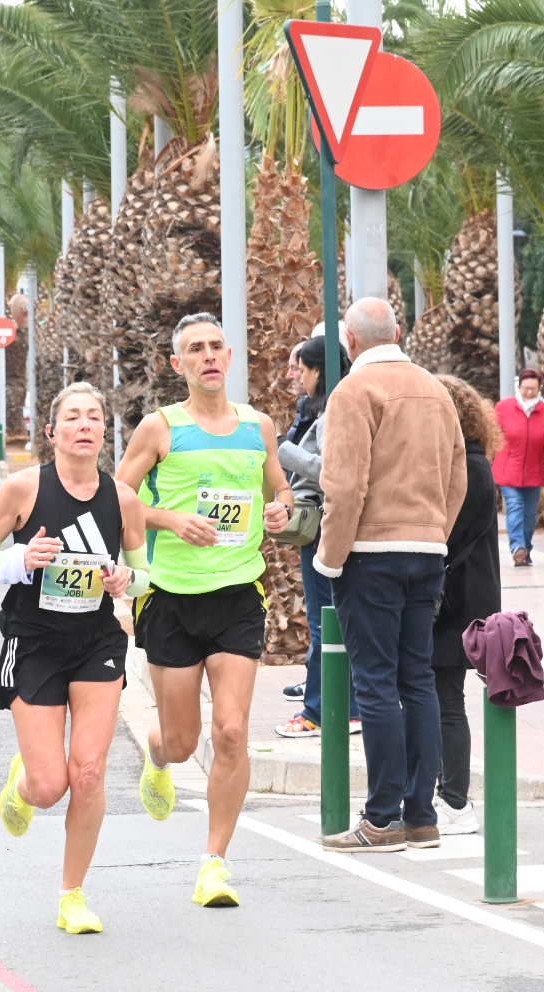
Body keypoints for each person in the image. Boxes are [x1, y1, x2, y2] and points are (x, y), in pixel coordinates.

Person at [116, 312, 293, 907]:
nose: (209, 356)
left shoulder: (258, 427)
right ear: (179, 365)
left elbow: (279, 491)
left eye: (217, 346)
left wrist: (279, 512)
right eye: (196, 349)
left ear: (230, 355)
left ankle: (214, 862)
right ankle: (157, 750)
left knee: (233, 730)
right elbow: (118, 497)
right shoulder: (159, 428)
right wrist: (169, 519)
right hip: (169, 597)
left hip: (239, 593)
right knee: (183, 741)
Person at [0, 382, 150, 934]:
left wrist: (127, 579)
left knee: (90, 772)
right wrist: (22, 557)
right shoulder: (24, 489)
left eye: (94, 417)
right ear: (52, 432)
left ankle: (72, 895)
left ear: (104, 431)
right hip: (34, 641)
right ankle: (24, 783)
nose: (85, 425)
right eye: (73, 417)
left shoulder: (123, 500)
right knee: (51, 786)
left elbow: (146, 575)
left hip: (95, 641)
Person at [315, 298, 466, 854]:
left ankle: (381, 818)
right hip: (426, 549)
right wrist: (435, 532)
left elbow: (345, 486)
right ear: (397, 332)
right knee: (417, 679)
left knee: (374, 683)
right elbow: (457, 476)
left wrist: (331, 557)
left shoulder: (353, 392)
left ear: (350, 342)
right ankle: (421, 815)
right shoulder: (435, 389)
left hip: (370, 552)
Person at [432, 376, 503, 836]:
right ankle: (444, 793)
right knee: (441, 698)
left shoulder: (472, 467)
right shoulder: (465, 463)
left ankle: (455, 800)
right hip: (462, 598)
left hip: (460, 603)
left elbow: (452, 538)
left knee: (447, 701)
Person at [272, 333, 350, 740]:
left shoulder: (335, 410)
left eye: (300, 369)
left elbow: (329, 469)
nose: (295, 376)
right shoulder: (317, 407)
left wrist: (281, 451)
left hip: (323, 524)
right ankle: (331, 701)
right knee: (326, 620)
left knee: (324, 621)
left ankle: (320, 711)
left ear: (318, 369)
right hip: (316, 524)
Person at [493, 368, 544, 567]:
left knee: (530, 515)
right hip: (508, 470)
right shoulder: (503, 408)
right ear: (519, 387)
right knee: (515, 506)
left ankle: (526, 548)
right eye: (526, 388)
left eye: (533, 389)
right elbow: (492, 434)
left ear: (540, 388)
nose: (529, 393)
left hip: (534, 472)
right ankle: (517, 547)